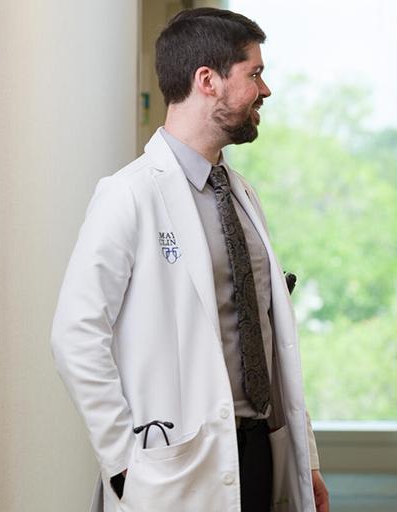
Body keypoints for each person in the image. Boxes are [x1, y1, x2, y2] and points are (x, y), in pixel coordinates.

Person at [51, 8, 330, 512]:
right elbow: (75, 335)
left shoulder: (241, 195)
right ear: (208, 80)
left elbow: (273, 340)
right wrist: (124, 463)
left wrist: (305, 459)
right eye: (255, 73)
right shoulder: (129, 194)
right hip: (178, 465)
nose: (265, 90)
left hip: (259, 454)